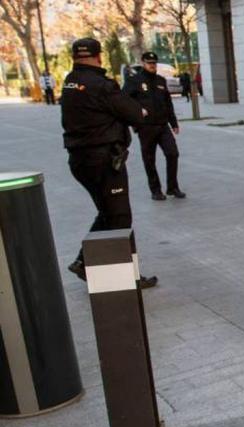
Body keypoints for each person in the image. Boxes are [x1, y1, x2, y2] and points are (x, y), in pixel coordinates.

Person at [61, 38, 157, 288]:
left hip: (79, 160)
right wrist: (140, 111)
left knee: (107, 212)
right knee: (120, 217)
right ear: (99, 56)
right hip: (103, 160)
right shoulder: (102, 85)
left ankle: (83, 262)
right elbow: (135, 113)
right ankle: (122, 280)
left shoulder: (70, 81)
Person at [123, 52, 186, 200]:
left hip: (163, 125)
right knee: (149, 160)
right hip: (146, 127)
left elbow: (168, 103)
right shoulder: (134, 81)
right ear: (143, 63)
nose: (152, 65)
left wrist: (173, 122)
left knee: (172, 153)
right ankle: (155, 190)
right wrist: (137, 112)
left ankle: (172, 187)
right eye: (149, 63)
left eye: (154, 63)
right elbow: (124, 100)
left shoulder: (160, 80)